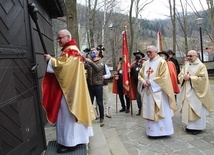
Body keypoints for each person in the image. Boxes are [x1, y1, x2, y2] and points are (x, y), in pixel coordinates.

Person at [42, 29, 95, 154]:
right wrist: (54, 61)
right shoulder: (69, 50)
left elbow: (65, 67)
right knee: (67, 116)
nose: (58, 40)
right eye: (58, 38)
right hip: (70, 88)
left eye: (60, 38)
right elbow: (64, 65)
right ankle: (75, 139)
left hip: (70, 92)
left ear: (67, 37)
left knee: (68, 116)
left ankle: (70, 143)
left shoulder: (72, 50)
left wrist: (51, 60)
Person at [138, 45, 177, 137]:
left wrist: (151, 82)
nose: (148, 54)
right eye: (147, 52)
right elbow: (140, 75)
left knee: (161, 110)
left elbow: (164, 77)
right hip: (148, 91)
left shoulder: (162, 62)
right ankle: (151, 131)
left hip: (159, 92)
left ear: (156, 52)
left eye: (150, 52)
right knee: (149, 109)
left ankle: (163, 131)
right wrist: (143, 82)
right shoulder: (145, 63)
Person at [178, 50, 214, 135]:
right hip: (187, 90)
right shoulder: (186, 65)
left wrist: (190, 78)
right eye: (188, 56)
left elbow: (203, 79)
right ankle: (188, 126)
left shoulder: (201, 66)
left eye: (191, 56)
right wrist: (183, 77)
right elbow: (180, 75)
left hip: (196, 92)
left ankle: (198, 127)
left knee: (196, 108)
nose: (189, 58)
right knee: (187, 108)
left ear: (196, 56)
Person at [84, 47, 105, 127]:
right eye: (91, 52)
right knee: (90, 102)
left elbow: (97, 69)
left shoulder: (101, 61)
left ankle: (102, 118)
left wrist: (89, 62)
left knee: (99, 102)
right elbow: (82, 66)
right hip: (90, 86)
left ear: (97, 53)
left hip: (98, 85)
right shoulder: (89, 62)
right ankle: (89, 117)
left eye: (94, 52)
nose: (92, 53)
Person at [131, 50, 146, 116]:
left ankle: (145, 110)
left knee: (145, 98)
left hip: (144, 83)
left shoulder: (145, 63)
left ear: (142, 56)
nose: (137, 56)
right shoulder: (133, 64)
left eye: (139, 54)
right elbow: (131, 73)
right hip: (137, 84)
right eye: (136, 55)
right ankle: (140, 110)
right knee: (138, 98)